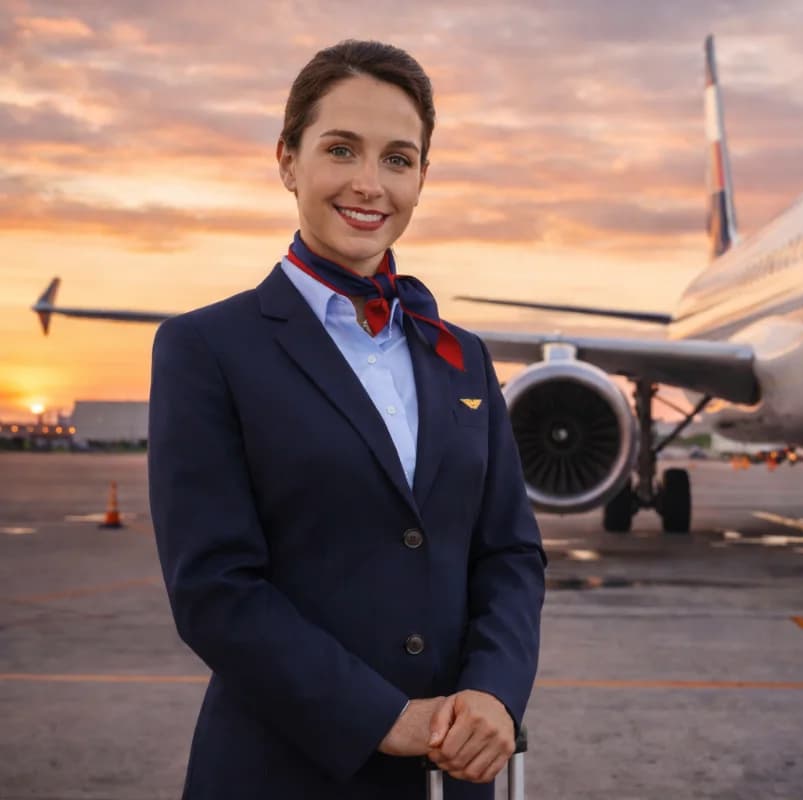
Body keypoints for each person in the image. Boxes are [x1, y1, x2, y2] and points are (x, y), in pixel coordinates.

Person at [147, 40, 546, 800]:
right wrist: (379, 716)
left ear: (422, 178)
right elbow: (214, 588)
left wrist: (495, 691)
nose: (370, 183)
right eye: (341, 149)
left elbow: (510, 553)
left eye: (398, 159)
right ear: (288, 161)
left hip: (452, 773)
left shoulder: (460, 354)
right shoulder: (207, 348)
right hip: (282, 771)